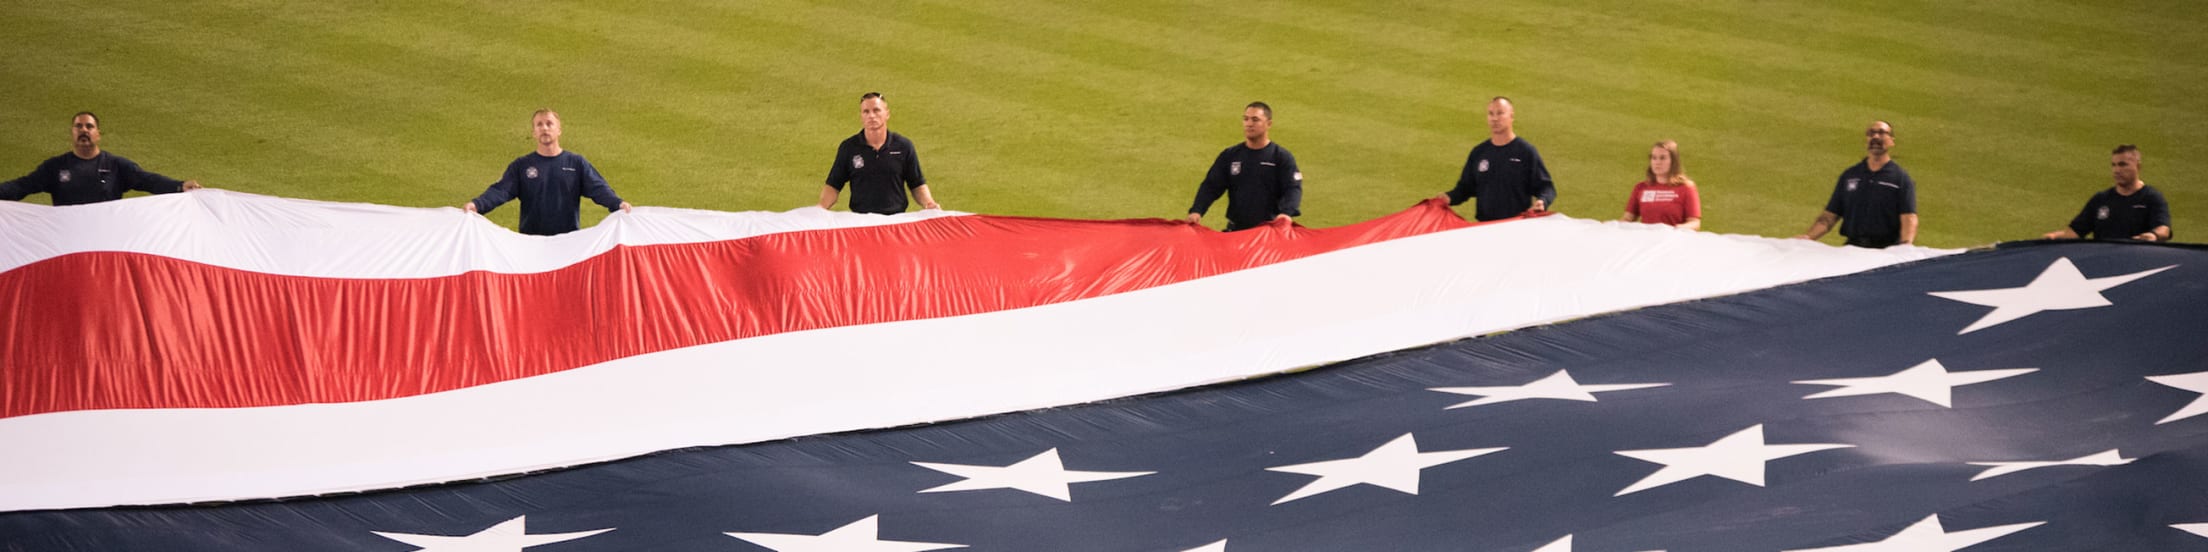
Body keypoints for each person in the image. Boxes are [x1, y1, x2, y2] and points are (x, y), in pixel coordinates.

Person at [463, 109, 631, 236]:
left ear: (559, 130)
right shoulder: (521, 166)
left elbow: (598, 189)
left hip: (568, 241)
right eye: (539, 124)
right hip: (531, 242)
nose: (544, 128)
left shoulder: (576, 163)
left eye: (549, 124)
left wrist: (618, 204)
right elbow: (501, 190)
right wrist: (477, 205)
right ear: (534, 132)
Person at [1, 112, 203, 205]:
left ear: (98, 134)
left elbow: (147, 180)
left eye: (89, 126)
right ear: (72, 133)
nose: (84, 130)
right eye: (78, 126)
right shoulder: (55, 167)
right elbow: (22, 186)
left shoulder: (116, 165)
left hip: (103, 240)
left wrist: (179, 186)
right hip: (68, 240)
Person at [1794, 120, 1917, 248]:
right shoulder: (1850, 176)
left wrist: (1905, 246)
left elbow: (1909, 217)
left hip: (1884, 251)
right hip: (1853, 249)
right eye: (1871, 133)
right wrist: (1808, 237)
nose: (1875, 137)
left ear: (1891, 140)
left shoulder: (1900, 179)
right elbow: (1829, 217)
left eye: (1881, 133)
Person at [1187, 101, 1303, 231]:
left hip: (1267, 234)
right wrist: (1197, 210)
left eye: (1255, 120)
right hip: (1235, 231)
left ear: (1268, 124)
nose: (1249, 124)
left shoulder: (1280, 157)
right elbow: (1211, 186)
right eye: (1246, 119)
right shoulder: (1230, 155)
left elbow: (1292, 188)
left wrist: (1286, 213)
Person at [1436, 96, 1556, 221]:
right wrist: (1447, 198)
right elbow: (1465, 188)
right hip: (1485, 228)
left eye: (1500, 113)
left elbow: (1546, 187)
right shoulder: (1479, 152)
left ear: (1511, 116)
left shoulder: (1525, 152)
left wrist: (1543, 201)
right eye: (1491, 114)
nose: (1494, 118)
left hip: (1517, 227)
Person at [822, 92, 939, 214]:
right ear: (861, 116)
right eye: (866, 112)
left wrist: (929, 203)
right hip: (862, 222)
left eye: (876, 110)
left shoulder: (903, 146)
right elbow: (833, 185)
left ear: (887, 114)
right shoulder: (849, 148)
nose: (871, 116)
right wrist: (821, 208)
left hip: (895, 222)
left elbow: (917, 184)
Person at [2043, 145, 2171, 242]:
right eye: (2114, 165)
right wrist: (2053, 237)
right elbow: (2075, 232)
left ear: (2138, 167)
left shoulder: (2151, 198)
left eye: (2122, 165)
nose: (2116, 170)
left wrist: (2153, 235)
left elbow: (2164, 229)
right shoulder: (2101, 200)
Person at [1620, 140, 1701, 230]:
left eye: (1662, 158)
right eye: (1654, 158)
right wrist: (1609, 227)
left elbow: (1694, 222)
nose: (1657, 162)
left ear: (1673, 161)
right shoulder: (1641, 188)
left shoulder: (1686, 188)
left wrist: (1676, 229)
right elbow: (1628, 219)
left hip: (1673, 241)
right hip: (1647, 242)